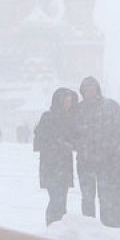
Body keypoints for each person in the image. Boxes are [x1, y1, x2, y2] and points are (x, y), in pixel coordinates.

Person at [72, 76, 120, 222]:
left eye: (92, 88)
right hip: (85, 161)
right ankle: (90, 228)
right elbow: (70, 133)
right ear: (82, 91)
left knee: (106, 197)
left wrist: (116, 148)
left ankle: (107, 227)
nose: (89, 92)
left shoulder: (111, 106)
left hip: (106, 162)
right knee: (87, 198)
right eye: (86, 89)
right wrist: (79, 145)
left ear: (97, 89)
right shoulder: (77, 110)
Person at [33, 88, 78, 225]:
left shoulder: (70, 118)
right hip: (51, 165)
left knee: (61, 200)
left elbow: (74, 138)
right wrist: (61, 143)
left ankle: (58, 228)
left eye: (70, 101)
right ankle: (53, 227)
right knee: (56, 199)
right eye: (66, 101)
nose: (68, 104)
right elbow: (41, 140)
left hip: (63, 166)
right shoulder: (48, 117)